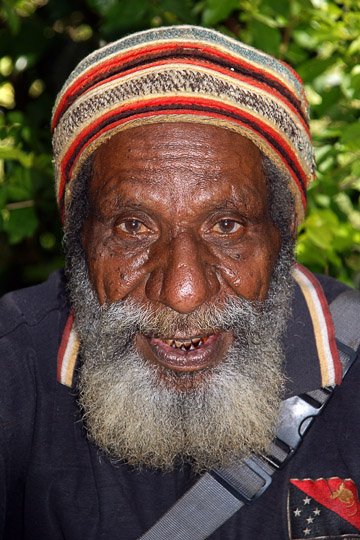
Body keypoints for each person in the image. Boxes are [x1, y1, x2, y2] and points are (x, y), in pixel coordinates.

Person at [1, 25, 360, 540]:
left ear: (283, 236)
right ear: (80, 236)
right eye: (133, 227)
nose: (183, 292)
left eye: (226, 225)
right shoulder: (15, 363)